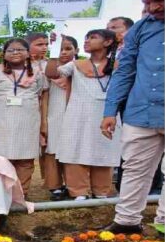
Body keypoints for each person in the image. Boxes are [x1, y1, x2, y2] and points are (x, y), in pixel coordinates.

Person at [99, 0, 165, 234]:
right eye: (147, 2)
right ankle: (127, 222)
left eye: (159, 0)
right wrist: (110, 110)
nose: (152, 8)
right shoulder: (140, 29)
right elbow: (125, 70)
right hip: (141, 112)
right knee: (135, 167)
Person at [47, 29, 122, 200]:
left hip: (107, 114)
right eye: (86, 37)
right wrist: (54, 48)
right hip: (77, 115)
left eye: (93, 37)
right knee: (75, 149)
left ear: (108, 42)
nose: (87, 40)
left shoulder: (120, 65)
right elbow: (52, 73)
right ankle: (78, 191)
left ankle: (101, 191)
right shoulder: (75, 65)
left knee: (104, 149)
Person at [0, 38, 49, 198]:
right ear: (4, 55)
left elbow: (43, 93)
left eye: (19, 49)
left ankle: (21, 194)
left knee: (26, 160)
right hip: (3, 124)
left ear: (28, 53)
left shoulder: (37, 71)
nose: (15, 53)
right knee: (2, 159)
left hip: (28, 123)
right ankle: (3, 196)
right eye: (10, 50)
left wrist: (44, 123)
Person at [25, 33, 68, 201]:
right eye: (39, 44)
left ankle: (59, 185)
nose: (44, 47)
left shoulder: (51, 64)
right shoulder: (21, 66)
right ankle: (51, 182)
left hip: (50, 109)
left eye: (45, 44)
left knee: (52, 145)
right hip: (26, 110)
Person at [44, 35, 78, 201]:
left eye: (68, 48)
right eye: (60, 49)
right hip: (54, 113)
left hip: (76, 114)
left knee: (73, 149)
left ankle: (75, 186)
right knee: (53, 149)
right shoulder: (48, 68)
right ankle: (55, 186)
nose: (63, 53)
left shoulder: (81, 68)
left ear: (76, 50)